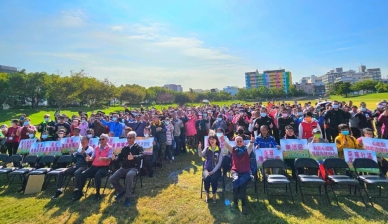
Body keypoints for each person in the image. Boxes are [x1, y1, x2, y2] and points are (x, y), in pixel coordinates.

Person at [73, 134, 113, 201]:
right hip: (94, 166)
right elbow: (92, 158)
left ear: (107, 140)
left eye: (103, 139)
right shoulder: (96, 148)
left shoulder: (110, 148)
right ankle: (79, 192)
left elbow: (110, 158)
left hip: (104, 167)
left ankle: (97, 194)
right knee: (83, 174)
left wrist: (103, 158)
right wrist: (89, 158)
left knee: (97, 176)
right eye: (100, 139)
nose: (101, 140)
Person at [109, 131, 144, 207]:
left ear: (134, 138)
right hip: (124, 168)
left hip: (133, 168)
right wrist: (115, 159)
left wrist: (134, 157)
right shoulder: (125, 148)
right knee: (112, 179)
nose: (128, 139)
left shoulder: (138, 147)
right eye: (127, 137)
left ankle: (128, 197)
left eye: (130, 137)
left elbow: (142, 155)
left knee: (129, 175)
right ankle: (121, 190)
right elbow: (120, 157)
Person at [222, 135, 254, 215]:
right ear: (235, 142)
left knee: (242, 183)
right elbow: (227, 145)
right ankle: (235, 203)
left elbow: (250, 145)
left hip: (246, 171)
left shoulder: (247, 149)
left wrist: (251, 141)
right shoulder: (233, 149)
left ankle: (243, 205)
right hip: (235, 171)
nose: (239, 142)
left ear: (243, 142)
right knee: (236, 181)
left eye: (240, 141)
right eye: (237, 141)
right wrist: (223, 140)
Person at [198, 134, 223, 203]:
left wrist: (213, 171)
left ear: (216, 140)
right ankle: (207, 195)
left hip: (216, 170)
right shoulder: (207, 148)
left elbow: (220, 162)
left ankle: (214, 194)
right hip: (206, 169)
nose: (212, 140)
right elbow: (200, 155)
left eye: (213, 139)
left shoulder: (220, 150)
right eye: (210, 139)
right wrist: (199, 148)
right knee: (207, 179)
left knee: (214, 179)